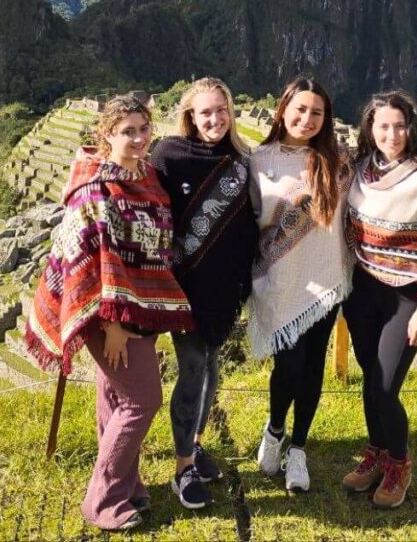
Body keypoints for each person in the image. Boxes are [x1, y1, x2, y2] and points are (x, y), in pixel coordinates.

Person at [25, 94, 194, 531]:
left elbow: (149, 242)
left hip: (141, 298)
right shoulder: (96, 189)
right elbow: (97, 260)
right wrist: (113, 324)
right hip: (105, 312)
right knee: (143, 399)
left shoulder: (147, 175)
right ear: (106, 136)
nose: (138, 138)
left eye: (143, 129)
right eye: (127, 131)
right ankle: (103, 500)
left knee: (116, 395)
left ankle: (129, 484)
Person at [340, 91, 417, 509]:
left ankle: (399, 463)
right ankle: (376, 451)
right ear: (370, 130)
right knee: (370, 377)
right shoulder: (356, 172)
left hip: (406, 296)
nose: (392, 134)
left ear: (412, 129)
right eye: (383, 126)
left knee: (386, 386)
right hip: (361, 291)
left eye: (400, 126)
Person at [150, 78, 259, 509]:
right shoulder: (169, 155)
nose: (214, 119)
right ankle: (181, 469)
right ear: (190, 116)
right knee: (193, 367)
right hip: (184, 285)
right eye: (205, 112)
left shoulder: (240, 160)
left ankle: (194, 446)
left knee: (212, 365)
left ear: (229, 113)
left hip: (223, 286)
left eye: (221, 110)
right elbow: (141, 195)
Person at [247, 77, 352, 493]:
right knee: (286, 367)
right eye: (301, 109)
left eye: (317, 112)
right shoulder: (258, 159)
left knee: (312, 369)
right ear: (283, 109)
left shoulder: (337, 161)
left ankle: (299, 449)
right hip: (281, 281)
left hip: (325, 281)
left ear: (326, 119)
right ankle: (275, 429)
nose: (307, 119)